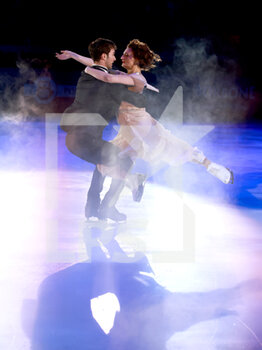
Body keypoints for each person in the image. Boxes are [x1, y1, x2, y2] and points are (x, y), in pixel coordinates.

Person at [57, 39, 234, 185]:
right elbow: (98, 66)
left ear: (137, 60)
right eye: (123, 53)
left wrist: (87, 70)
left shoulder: (134, 78)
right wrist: (73, 55)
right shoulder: (127, 75)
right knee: (109, 161)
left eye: (127, 55)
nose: (122, 56)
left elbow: (106, 76)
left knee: (170, 147)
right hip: (127, 126)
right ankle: (122, 191)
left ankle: (211, 166)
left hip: (139, 124)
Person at [58, 38, 149, 223]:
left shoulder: (90, 74)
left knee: (103, 162)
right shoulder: (107, 81)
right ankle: (109, 205)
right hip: (84, 140)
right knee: (123, 160)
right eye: (114, 55)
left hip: (77, 140)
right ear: (104, 56)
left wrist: (74, 56)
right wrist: (137, 82)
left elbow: (97, 66)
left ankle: (93, 208)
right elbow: (107, 75)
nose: (116, 58)